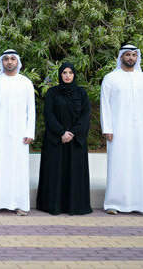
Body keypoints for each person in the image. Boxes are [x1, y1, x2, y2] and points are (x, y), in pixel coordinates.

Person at [100, 43, 143, 215]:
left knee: (138, 165)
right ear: (121, 57)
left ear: (137, 57)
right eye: (127, 55)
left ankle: (140, 205)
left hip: (139, 130)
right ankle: (113, 203)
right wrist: (107, 128)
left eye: (134, 55)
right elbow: (105, 106)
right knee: (117, 164)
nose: (131, 58)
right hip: (117, 131)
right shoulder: (110, 78)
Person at [0, 49, 35, 216]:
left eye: (12, 59)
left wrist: (29, 131)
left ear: (17, 61)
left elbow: (30, 110)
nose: (9, 62)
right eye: (6, 59)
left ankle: (20, 204)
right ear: (1, 62)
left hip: (20, 134)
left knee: (18, 168)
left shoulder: (25, 82)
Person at [36, 62, 92, 215]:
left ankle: (75, 206)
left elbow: (86, 116)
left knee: (75, 173)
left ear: (74, 75)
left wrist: (72, 133)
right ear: (60, 75)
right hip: (56, 140)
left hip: (75, 142)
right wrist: (61, 133)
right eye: (64, 73)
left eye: (70, 73)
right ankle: (54, 205)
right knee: (55, 172)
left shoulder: (81, 93)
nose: (67, 75)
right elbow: (49, 115)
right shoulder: (53, 93)